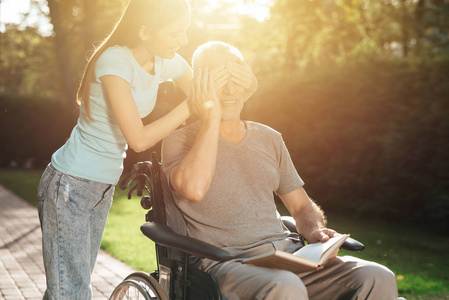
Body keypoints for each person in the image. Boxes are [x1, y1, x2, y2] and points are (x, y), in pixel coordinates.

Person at [37, 1, 257, 298]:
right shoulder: (114, 62)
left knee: (69, 287)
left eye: (185, 31)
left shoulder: (165, 60)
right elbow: (139, 139)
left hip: (100, 186)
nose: (183, 40)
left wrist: (247, 85)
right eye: (174, 33)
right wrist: (190, 105)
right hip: (70, 186)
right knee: (70, 291)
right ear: (144, 31)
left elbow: (208, 101)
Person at [161, 41, 399, 300]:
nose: (229, 89)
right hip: (226, 264)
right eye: (218, 79)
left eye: (235, 77)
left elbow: (300, 207)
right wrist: (210, 115)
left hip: (288, 257)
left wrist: (314, 230)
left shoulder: (269, 138)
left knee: (377, 276)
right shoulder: (178, 140)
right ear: (199, 85)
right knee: (286, 285)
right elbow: (193, 190)